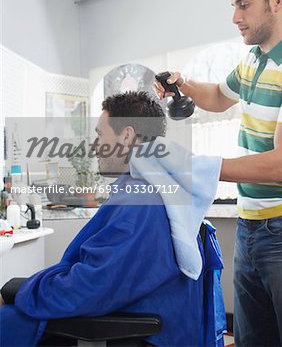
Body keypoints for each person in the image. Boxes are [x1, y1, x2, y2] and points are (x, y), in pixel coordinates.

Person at [0, 91, 225, 347]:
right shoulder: (148, 191)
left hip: (141, 327)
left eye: (99, 135)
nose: (95, 147)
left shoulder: (141, 200)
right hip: (138, 311)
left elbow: (90, 286)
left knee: (8, 320)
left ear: (126, 136)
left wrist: (16, 291)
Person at [155, 0, 282, 347]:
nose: (235, 17)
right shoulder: (253, 59)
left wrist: (198, 168)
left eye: (243, 5)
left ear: (277, 0)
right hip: (250, 225)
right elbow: (219, 97)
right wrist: (181, 83)